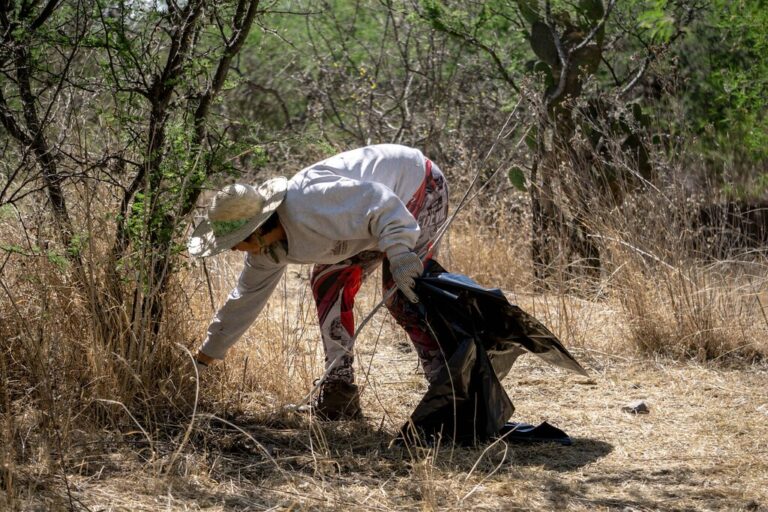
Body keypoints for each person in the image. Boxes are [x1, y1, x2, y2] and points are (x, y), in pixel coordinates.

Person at [188, 144, 449, 420]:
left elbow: (381, 202)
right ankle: (339, 388)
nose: (230, 250)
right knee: (327, 282)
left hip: (415, 186)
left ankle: (448, 390)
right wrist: (204, 358)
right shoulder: (265, 252)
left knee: (402, 294)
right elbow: (244, 299)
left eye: (233, 241)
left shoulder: (310, 202)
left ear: (255, 230)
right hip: (371, 220)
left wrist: (399, 253)